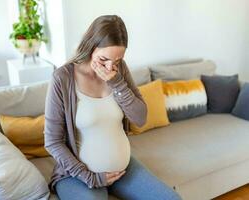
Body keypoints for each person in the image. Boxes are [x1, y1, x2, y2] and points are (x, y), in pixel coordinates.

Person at [44, 15, 182, 200]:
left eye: (116, 61)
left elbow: (140, 118)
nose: (110, 67)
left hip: (122, 170)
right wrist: (90, 177)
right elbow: (53, 141)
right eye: (104, 59)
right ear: (90, 46)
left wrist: (117, 83)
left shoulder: (119, 71)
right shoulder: (63, 78)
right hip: (78, 176)